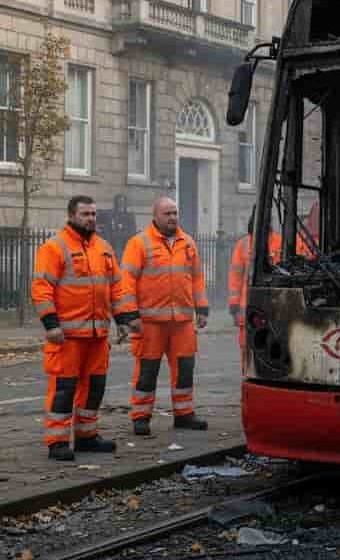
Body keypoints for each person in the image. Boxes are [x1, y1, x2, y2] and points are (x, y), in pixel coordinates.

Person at [32, 196, 142, 461]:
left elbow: (117, 288)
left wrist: (125, 318)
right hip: (67, 337)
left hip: (97, 336)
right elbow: (41, 288)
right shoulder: (54, 248)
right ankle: (57, 442)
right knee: (63, 389)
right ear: (71, 215)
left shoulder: (103, 248)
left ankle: (86, 436)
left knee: (94, 388)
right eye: (85, 214)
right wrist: (51, 324)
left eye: (93, 214)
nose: (91, 218)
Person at [121, 196, 209, 435]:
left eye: (175, 213)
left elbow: (197, 279)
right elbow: (126, 281)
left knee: (185, 369)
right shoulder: (139, 243)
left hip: (182, 322)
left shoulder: (188, 243)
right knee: (147, 371)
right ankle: (140, 417)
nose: (172, 218)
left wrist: (202, 309)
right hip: (149, 323)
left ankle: (184, 414)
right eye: (167, 214)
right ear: (155, 216)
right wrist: (130, 314)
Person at [228, 212, 281, 351]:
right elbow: (235, 277)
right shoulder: (243, 245)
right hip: (248, 307)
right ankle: (248, 371)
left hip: (274, 305)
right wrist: (234, 305)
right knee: (247, 346)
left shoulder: (279, 242)